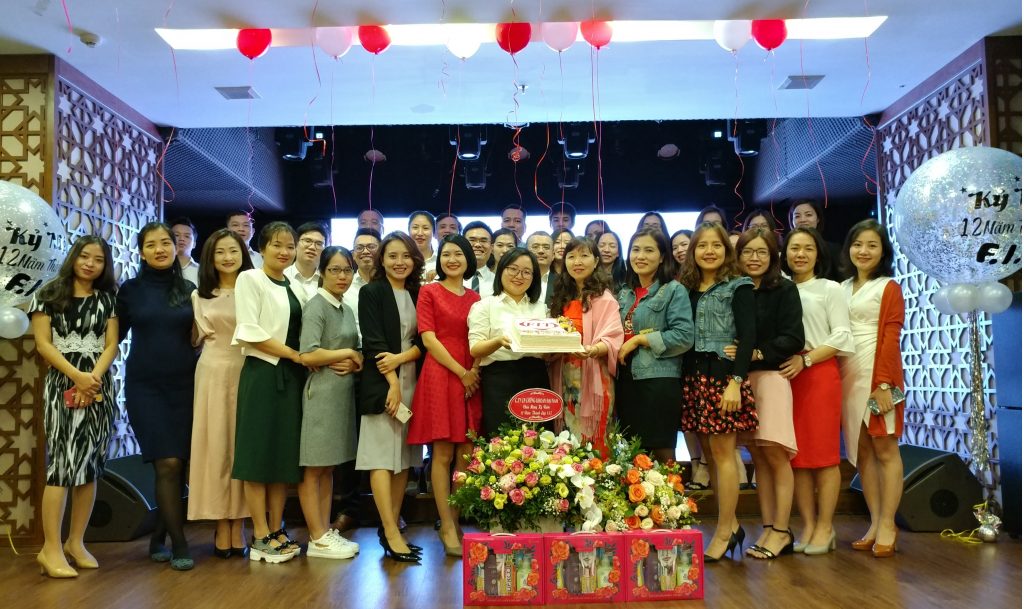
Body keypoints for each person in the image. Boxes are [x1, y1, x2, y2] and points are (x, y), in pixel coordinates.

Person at [30, 236, 119, 578]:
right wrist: (76, 376)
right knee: (63, 466)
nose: (90, 264)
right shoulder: (48, 294)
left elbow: (110, 345)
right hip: (62, 383)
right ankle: (50, 549)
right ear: (73, 257)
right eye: (84, 256)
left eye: (98, 259)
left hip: (98, 386)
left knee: (90, 465)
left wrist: (92, 378)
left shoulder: (108, 299)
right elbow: (43, 344)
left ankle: (75, 542)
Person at [116, 222, 198, 570]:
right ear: (141, 252)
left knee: (180, 464)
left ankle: (158, 537)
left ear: (176, 247)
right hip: (145, 387)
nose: (160, 249)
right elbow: (113, 338)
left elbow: (200, 336)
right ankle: (180, 543)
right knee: (167, 463)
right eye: (151, 244)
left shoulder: (189, 289)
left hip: (186, 385)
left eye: (166, 242)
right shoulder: (130, 291)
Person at [678, 222, 758, 562]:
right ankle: (733, 525)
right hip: (693, 377)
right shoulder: (686, 287)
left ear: (727, 250)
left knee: (724, 454)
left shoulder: (739, 285)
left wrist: (736, 381)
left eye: (716, 245)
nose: (709, 251)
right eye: (702, 245)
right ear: (693, 251)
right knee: (710, 455)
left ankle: (724, 531)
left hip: (723, 379)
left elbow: (748, 335)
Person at [231, 221, 305, 564]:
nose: (284, 251)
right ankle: (259, 534)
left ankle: (277, 529)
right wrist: (292, 354)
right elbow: (249, 330)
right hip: (263, 373)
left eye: (290, 246)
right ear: (261, 248)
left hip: (291, 376)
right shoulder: (250, 278)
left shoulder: (295, 285)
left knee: (282, 458)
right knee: (257, 455)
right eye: (277, 245)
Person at [730, 229, 804, 560]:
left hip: (772, 377)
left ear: (773, 256)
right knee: (757, 457)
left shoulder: (784, 289)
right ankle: (768, 526)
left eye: (762, 252)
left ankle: (782, 530)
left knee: (776, 455)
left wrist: (758, 353)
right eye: (748, 252)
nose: (754, 258)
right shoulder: (735, 289)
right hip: (742, 380)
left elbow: (794, 337)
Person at [780, 227, 855, 556]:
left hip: (818, 373)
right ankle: (808, 526)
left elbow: (841, 335)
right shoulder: (780, 288)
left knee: (824, 458)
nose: (800, 254)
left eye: (808, 248)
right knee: (797, 458)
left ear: (818, 254)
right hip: (787, 375)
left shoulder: (830, 288)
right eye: (794, 248)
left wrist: (807, 359)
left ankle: (826, 526)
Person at [408, 235, 482, 556]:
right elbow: (428, 339)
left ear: (468, 259)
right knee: (441, 453)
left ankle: (454, 517)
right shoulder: (429, 291)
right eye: (446, 254)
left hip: (471, 376)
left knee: (466, 452)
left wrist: (473, 371)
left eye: (458, 254)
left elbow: (480, 336)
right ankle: (446, 524)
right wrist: (461, 372)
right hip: (442, 373)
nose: (452, 259)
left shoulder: (476, 297)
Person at [838, 220, 905, 558]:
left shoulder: (888, 287)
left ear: (883, 251)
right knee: (863, 452)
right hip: (847, 376)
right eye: (857, 244)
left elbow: (891, 337)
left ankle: (889, 524)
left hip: (879, 376)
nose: (863, 251)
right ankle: (875, 522)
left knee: (885, 449)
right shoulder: (841, 286)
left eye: (872, 245)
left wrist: (884, 384)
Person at [357, 232, 425, 564]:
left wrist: (401, 360)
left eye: (406, 256)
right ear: (381, 260)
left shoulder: (418, 293)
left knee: (404, 459)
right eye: (392, 256)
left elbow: (424, 342)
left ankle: (393, 525)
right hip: (381, 383)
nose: (400, 262)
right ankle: (389, 529)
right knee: (381, 458)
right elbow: (373, 343)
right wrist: (393, 383)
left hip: (413, 381)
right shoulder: (371, 292)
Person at [188, 229, 254, 559]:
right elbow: (195, 339)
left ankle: (239, 522)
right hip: (212, 371)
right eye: (220, 252)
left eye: (233, 251)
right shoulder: (199, 295)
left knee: (241, 446)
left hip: (248, 369)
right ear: (210, 258)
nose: (228, 257)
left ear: (244, 254)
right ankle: (220, 523)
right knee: (215, 446)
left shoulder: (254, 289)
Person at [296, 246, 363, 560]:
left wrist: (355, 359)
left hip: (342, 395)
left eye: (347, 270)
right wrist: (347, 353)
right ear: (322, 272)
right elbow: (308, 354)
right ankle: (316, 537)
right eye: (335, 269)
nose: (342, 276)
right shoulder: (316, 306)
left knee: (329, 467)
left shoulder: (345, 307)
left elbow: (357, 351)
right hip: (321, 394)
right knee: (314, 468)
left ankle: (323, 531)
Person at [615, 229, 693, 463]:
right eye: (635, 250)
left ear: (662, 257)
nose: (640, 256)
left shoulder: (673, 290)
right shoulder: (625, 293)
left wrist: (640, 339)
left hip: (659, 381)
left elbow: (684, 336)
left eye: (649, 250)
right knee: (634, 454)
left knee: (662, 453)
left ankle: (671, 489)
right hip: (626, 380)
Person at [548, 237, 623, 456]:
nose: (577, 262)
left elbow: (613, 337)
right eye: (571, 256)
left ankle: (598, 474)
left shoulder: (604, 298)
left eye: (584, 255)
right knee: (567, 434)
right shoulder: (561, 298)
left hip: (593, 372)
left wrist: (592, 350)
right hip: (564, 374)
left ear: (596, 260)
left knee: (595, 436)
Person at [468, 248, 550, 436]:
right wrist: (498, 341)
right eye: (513, 269)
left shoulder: (541, 308)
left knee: (539, 440)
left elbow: (546, 352)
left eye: (527, 272)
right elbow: (475, 349)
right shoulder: (485, 305)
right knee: (501, 441)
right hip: (499, 379)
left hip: (536, 377)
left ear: (534, 277)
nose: (519, 276)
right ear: (501, 270)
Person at [788, 199, 842, 280]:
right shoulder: (786, 249)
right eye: (797, 216)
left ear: (818, 219)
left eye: (808, 215)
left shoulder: (833, 249)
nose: (803, 220)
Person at [285, 222, 328, 305]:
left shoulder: (328, 280)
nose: (312, 247)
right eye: (307, 241)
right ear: (295, 244)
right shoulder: (282, 276)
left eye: (319, 244)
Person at [463, 221, 495, 294]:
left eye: (483, 241)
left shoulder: (498, 281)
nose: (478, 245)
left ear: (491, 248)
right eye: (472, 240)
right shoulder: (449, 278)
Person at [526, 231, 555, 303]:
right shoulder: (517, 279)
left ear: (553, 255)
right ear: (526, 252)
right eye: (535, 247)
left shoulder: (562, 283)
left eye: (546, 247)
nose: (541, 251)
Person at [170, 217, 200, 286]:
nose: (181, 239)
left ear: (194, 244)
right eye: (176, 235)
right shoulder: (161, 268)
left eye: (187, 236)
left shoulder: (202, 271)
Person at [408, 211, 436, 280]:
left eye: (425, 228)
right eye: (415, 227)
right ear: (408, 231)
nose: (420, 233)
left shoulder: (441, 260)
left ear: (434, 232)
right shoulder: (403, 261)